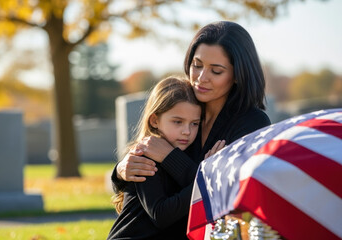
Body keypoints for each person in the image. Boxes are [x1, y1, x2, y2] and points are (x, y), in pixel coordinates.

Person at [111, 20, 271, 228]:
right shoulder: (186, 106)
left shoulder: (252, 122)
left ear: (238, 75)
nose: (201, 78)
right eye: (197, 65)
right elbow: (152, 189)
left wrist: (171, 157)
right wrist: (121, 172)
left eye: (216, 71)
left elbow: (226, 193)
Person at [107, 76, 203, 239]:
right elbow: (161, 214)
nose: (187, 131)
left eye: (194, 123)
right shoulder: (145, 157)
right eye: (178, 122)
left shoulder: (188, 154)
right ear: (154, 120)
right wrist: (205, 182)